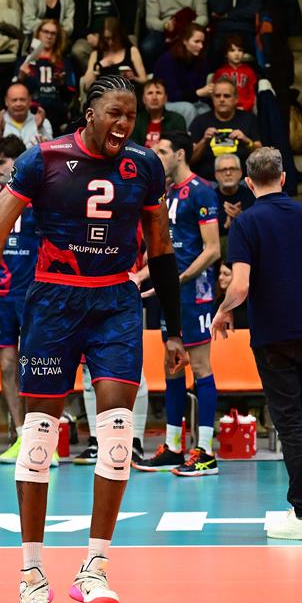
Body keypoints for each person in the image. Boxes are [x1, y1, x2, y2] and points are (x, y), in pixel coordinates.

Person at [0, 74, 186, 603]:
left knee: (118, 434)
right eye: (115, 113)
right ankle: (31, 577)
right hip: (53, 302)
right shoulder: (43, 160)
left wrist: (174, 329)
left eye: (131, 116)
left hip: (116, 303)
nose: (124, 124)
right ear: (89, 113)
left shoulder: (145, 166)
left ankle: (95, 567)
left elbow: (160, 249)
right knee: (40, 436)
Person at [212, 147, 302, 540]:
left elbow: (240, 286)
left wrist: (222, 310)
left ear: (249, 182)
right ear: (283, 177)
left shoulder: (246, 222)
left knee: (289, 422)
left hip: (273, 336)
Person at [135, 130, 222, 475]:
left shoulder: (202, 191)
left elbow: (212, 250)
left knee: (200, 367)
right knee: (171, 365)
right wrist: (140, 276)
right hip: (171, 293)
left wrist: (177, 280)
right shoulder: (167, 193)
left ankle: (206, 452)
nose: (156, 157)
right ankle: (173, 447)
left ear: (181, 154)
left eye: (162, 151)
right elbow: (163, 252)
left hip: (195, 293)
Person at [0, 136, 39, 462]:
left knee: (36, 365)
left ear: (18, 162)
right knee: (7, 364)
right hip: (0, 293)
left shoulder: (41, 194)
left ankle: (42, 435)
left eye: (2, 162)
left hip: (34, 291)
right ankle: (22, 434)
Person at [189, 77, 261, 180]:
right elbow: (190, 160)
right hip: (208, 181)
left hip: (242, 181)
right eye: (217, 96)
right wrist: (204, 141)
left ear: (236, 99)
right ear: (212, 98)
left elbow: (261, 157)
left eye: (227, 96)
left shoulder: (249, 119)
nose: (222, 99)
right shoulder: (200, 121)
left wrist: (246, 141)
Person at [15, 19, 76, 127]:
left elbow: (70, 97)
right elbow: (13, 94)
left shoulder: (65, 63)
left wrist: (61, 84)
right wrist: (21, 78)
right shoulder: (25, 62)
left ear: (57, 37)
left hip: (56, 112)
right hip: (30, 111)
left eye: (53, 33)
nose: (49, 36)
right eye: (45, 32)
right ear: (38, 34)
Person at [153, 23, 210, 123]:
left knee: (205, 109)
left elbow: (199, 90)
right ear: (185, 41)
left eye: (202, 42)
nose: (201, 46)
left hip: (190, 100)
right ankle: (186, 134)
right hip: (166, 101)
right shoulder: (168, 60)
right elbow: (172, 95)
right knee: (188, 108)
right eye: (196, 42)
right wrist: (197, 93)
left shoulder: (200, 61)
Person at [80, 17, 148, 92]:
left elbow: (144, 81)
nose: (111, 42)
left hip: (127, 94)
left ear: (120, 36)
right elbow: (87, 86)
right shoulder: (96, 55)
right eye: (107, 38)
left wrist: (133, 77)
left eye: (114, 38)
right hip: (104, 95)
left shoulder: (132, 51)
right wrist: (98, 67)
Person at [0, 82, 53, 148]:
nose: (18, 104)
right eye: (14, 100)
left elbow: (51, 150)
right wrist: (0, 132)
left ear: (30, 100)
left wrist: (41, 128)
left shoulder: (43, 122)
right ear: (6, 101)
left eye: (22, 100)